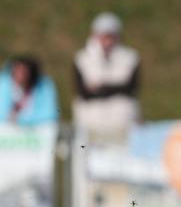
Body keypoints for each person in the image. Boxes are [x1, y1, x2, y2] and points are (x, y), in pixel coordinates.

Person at [73, 12, 141, 142]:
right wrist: (115, 87)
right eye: (103, 36)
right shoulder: (82, 59)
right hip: (90, 123)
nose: (107, 42)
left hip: (122, 122)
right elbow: (82, 91)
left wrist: (101, 87)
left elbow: (130, 87)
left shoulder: (130, 58)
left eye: (110, 37)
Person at [0, 56, 59, 126]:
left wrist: (21, 120)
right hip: (9, 127)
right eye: (17, 70)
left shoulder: (44, 85)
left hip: (36, 128)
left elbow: (51, 114)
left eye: (24, 72)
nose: (20, 75)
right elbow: (2, 113)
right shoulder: (4, 82)